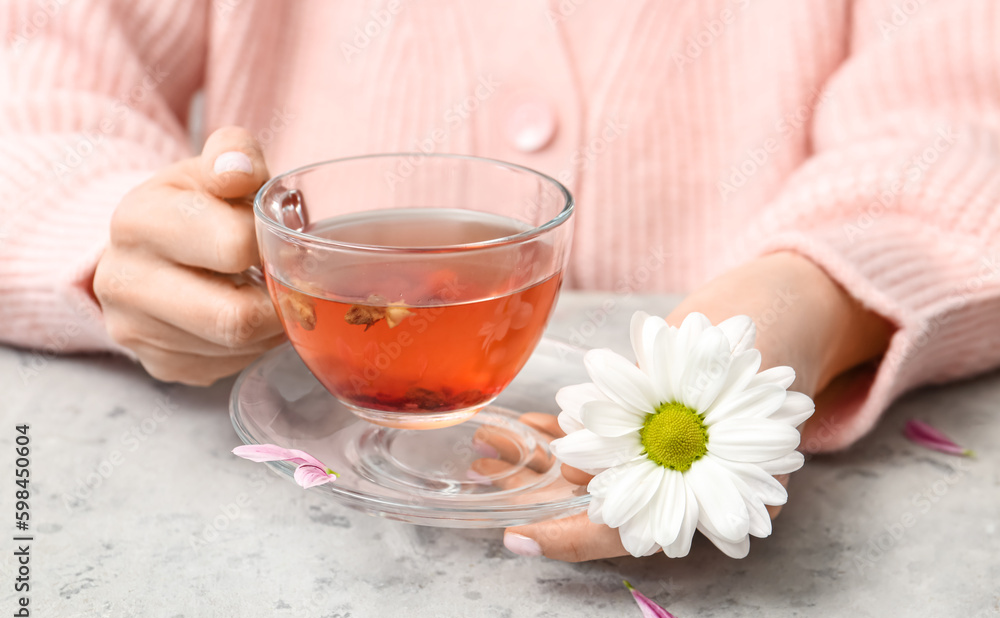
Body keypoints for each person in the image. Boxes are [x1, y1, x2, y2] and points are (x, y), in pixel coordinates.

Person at [2, 0, 997, 562]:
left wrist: (812, 303)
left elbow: (960, 126)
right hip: (298, 555)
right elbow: (32, 84)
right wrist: (120, 234)